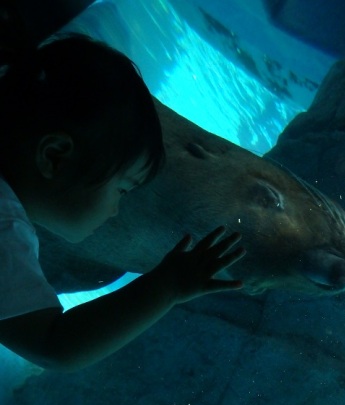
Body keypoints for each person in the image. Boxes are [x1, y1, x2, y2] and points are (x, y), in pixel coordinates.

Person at [0, 34, 245, 372]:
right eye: (123, 189)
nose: (116, 208)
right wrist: (167, 287)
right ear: (54, 157)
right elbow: (53, 344)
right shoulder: (4, 229)